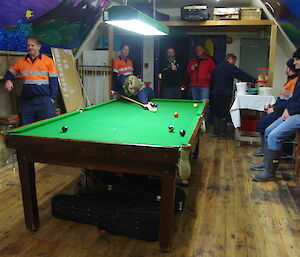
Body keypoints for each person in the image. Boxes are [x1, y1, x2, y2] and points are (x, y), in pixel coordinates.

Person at [251, 49, 300, 182]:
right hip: (292, 111)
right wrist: (287, 110)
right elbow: (294, 100)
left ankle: (269, 172)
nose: (294, 62)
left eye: (296, 59)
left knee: (273, 136)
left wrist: (289, 110)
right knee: (268, 130)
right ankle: (266, 164)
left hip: (296, 114)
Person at [3, 35, 59, 126]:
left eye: (32, 45)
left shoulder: (48, 61)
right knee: (26, 127)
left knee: (48, 126)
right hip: (27, 102)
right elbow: (10, 72)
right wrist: (8, 80)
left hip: (44, 100)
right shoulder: (21, 62)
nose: (30, 47)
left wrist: (52, 97)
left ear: (39, 46)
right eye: (28, 45)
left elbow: (53, 80)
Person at [210, 54, 256, 138]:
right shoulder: (228, 66)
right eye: (234, 61)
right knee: (224, 112)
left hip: (215, 92)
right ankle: (222, 133)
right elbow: (240, 74)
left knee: (217, 112)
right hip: (224, 92)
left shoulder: (217, 67)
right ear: (230, 59)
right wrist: (253, 80)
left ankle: (216, 132)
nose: (234, 63)